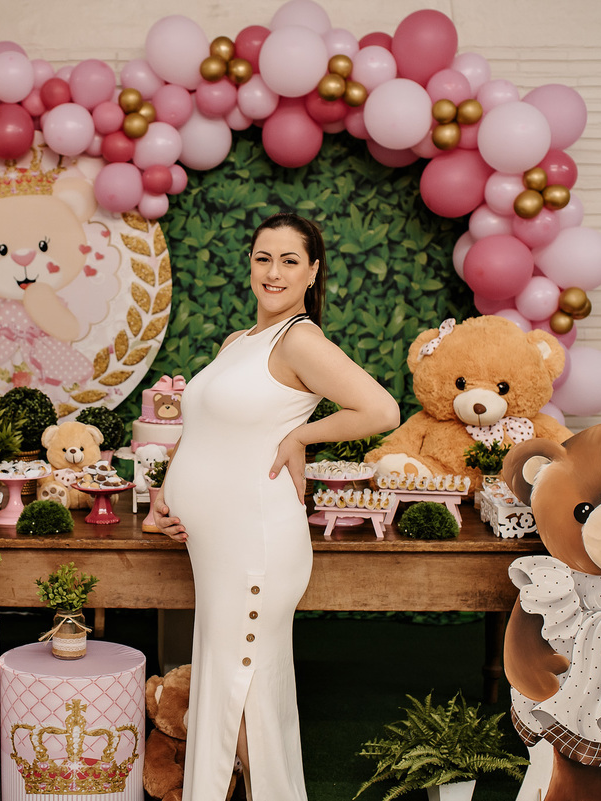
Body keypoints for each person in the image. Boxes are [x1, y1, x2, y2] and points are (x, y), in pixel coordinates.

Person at [153, 212, 400, 800]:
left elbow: (381, 410)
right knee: (230, 683)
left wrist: (301, 437)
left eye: (290, 261)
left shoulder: (299, 340)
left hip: (256, 542)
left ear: (312, 272)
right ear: (249, 263)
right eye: (264, 258)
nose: (274, 272)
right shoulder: (238, 343)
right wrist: (165, 491)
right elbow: (202, 428)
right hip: (218, 546)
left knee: (242, 690)